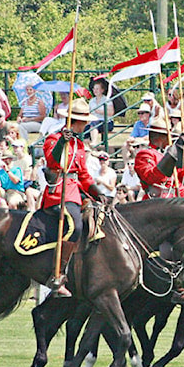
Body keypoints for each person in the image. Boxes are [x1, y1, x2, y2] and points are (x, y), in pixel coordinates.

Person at [42, 98, 103, 288]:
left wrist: (97, 192)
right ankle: (58, 272)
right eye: (84, 122)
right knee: (74, 226)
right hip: (60, 190)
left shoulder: (80, 145)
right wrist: (62, 141)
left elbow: (83, 174)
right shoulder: (53, 139)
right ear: (75, 121)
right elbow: (53, 162)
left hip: (77, 190)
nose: (86, 125)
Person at [86, 79, 113, 146]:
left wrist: (100, 112)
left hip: (106, 121)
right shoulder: (92, 101)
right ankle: (90, 148)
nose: (95, 91)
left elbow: (111, 112)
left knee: (94, 123)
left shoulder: (107, 100)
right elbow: (89, 112)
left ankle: (94, 142)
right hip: (93, 120)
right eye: (94, 89)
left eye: (97, 89)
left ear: (102, 90)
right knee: (84, 129)